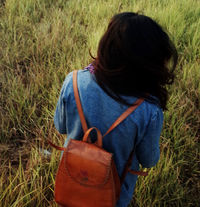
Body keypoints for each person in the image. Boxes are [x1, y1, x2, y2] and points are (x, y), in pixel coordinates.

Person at [54, 12, 178, 207]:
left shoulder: (74, 81)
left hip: (73, 178)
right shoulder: (149, 109)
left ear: (106, 46)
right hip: (113, 194)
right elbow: (149, 160)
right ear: (149, 66)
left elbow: (60, 126)